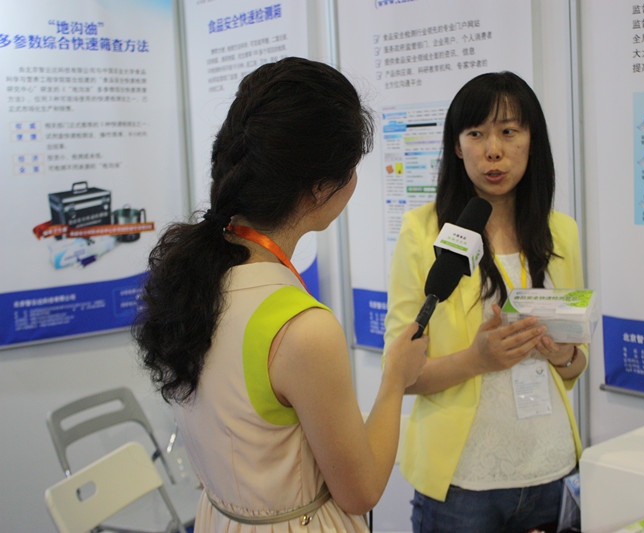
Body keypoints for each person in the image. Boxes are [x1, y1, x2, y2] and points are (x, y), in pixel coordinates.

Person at [134, 57, 428, 532]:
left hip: (220, 518)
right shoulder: (304, 330)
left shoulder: (189, 275)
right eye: (351, 168)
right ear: (320, 189)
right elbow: (361, 490)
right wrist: (395, 378)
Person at [383, 71, 587, 533]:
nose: (493, 150)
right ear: (457, 146)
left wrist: (563, 355)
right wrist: (477, 360)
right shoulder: (423, 232)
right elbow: (399, 373)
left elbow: (576, 365)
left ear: (532, 141)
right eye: (476, 134)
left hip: (552, 467)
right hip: (462, 483)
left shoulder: (561, 232)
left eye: (509, 132)